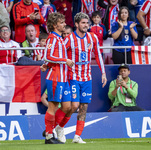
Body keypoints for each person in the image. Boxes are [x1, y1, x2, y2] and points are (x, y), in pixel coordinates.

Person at [54, 12, 107, 144]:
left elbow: (98, 55)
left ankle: (77, 136)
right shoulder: (69, 39)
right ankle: (59, 127)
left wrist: (103, 73)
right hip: (73, 77)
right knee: (74, 105)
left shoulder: (92, 37)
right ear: (76, 24)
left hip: (87, 77)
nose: (86, 25)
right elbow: (60, 53)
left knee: (83, 107)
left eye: (87, 23)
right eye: (83, 23)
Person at [42, 12, 74, 144]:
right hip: (55, 77)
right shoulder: (52, 38)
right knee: (53, 107)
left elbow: (50, 59)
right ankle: (49, 136)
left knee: (67, 107)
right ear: (55, 25)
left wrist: (46, 65)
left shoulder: (60, 38)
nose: (64, 24)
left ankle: (51, 128)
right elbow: (47, 56)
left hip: (63, 78)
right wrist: (65, 60)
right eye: (62, 22)